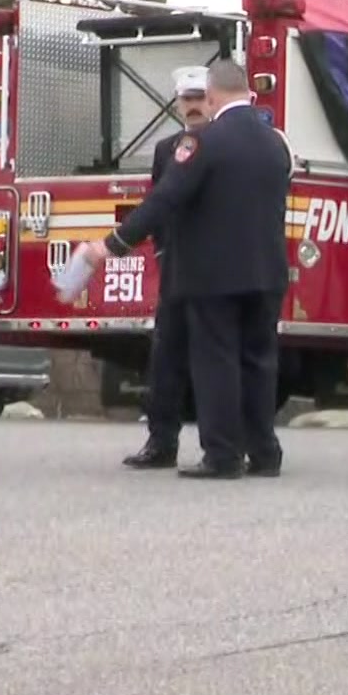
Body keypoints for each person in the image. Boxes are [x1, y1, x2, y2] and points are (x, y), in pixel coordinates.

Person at [80, 59, 291, 478]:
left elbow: (164, 201)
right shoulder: (275, 143)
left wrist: (112, 245)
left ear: (212, 96)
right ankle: (264, 452)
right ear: (248, 93)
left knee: (217, 361)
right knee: (259, 361)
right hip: (266, 272)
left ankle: (223, 454)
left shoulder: (202, 143)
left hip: (212, 275)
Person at [123, 66, 212, 469]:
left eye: (199, 98)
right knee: (165, 357)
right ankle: (161, 442)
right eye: (186, 99)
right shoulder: (166, 150)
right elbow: (158, 206)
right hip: (176, 266)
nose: (192, 107)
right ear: (178, 102)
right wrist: (160, 252)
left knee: (216, 358)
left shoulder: (222, 145)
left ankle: (225, 444)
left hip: (214, 268)